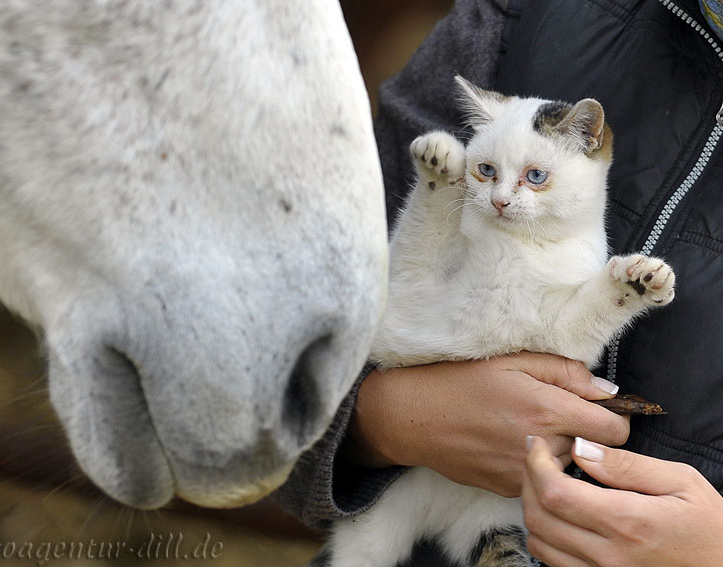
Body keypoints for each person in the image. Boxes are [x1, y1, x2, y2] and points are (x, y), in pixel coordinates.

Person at [274, 0, 723, 565]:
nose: (503, 197)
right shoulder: (519, 18)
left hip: (498, 522)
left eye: (533, 177)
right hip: (403, 493)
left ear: (589, 142)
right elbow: (277, 342)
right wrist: (379, 422)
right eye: (486, 173)